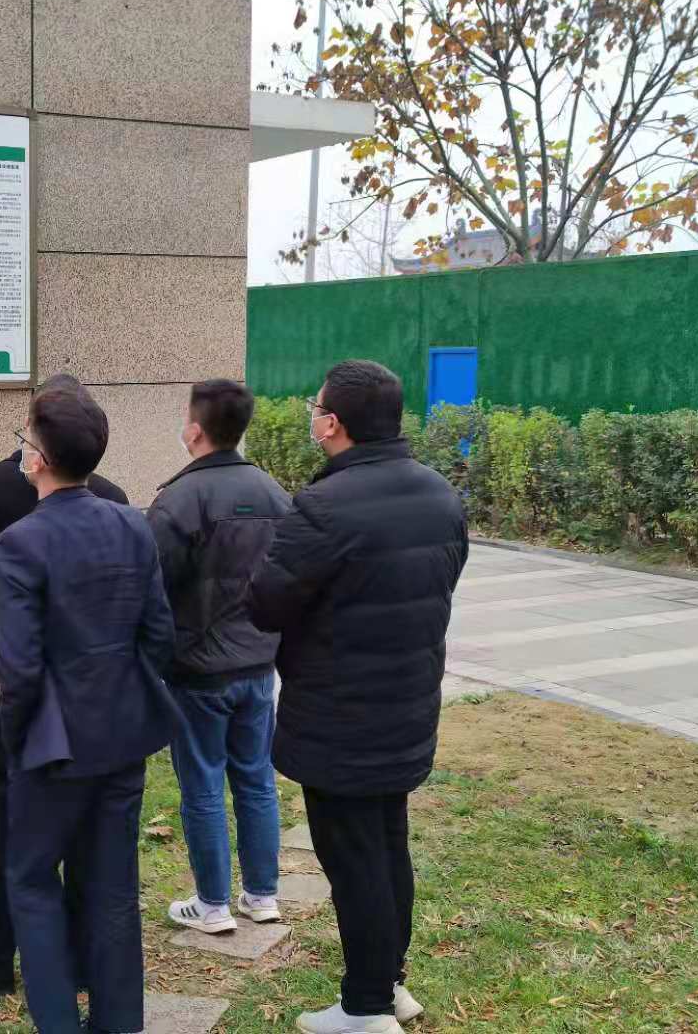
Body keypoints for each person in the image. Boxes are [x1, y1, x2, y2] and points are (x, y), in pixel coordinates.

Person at [250, 361, 468, 1034]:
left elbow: (265, 602)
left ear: (333, 424)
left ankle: (367, 1007)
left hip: (340, 717)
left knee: (354, 860)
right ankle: (389, 983)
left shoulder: (323, 506)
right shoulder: (439, 494)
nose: (312, 417)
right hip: (406, 705)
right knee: (387, 844)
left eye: (316, 408)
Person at [0, 386, 179, 1034]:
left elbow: (19, 668)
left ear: (40, 458)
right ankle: (119, 1022)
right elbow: (159, 634)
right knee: (113, 888)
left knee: (32, 883)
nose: (23, 449)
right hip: (123, 733)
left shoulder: (20, 542)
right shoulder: (132, 523)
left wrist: (16, 739)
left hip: (51, 744)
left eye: (26, 439)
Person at [0, 374, 128, 996]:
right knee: (80, 832)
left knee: (1, 823)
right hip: (82, 692)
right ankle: (75, 960)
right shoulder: (111, 499)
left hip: (0, 686)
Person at [146, 380, 291, 933]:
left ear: (195, 430)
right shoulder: (275, 493)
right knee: (256, 779)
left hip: (198, 671)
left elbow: (150, 588)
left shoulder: (179, 499)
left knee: (203, 785)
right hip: (258, 665)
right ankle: (262, 895)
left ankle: (211, 905)